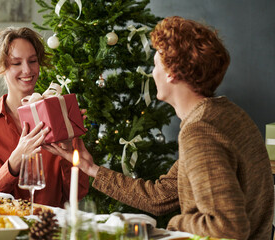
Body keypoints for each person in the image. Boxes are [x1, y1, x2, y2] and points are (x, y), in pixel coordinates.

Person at [43, 16, 274, 239]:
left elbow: (228, 228)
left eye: (155, 65)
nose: (153, 73)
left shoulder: (201, 131)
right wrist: (91, 168)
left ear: (172, 73)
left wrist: (175, 224)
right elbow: (160, 196)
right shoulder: (223, 113)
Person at [0, 27, 89, 208]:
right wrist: (14, 162)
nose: (27, 70)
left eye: (33, 61)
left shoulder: (60, 116)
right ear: (0, 67)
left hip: (50, 228)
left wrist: (68, 146)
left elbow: (77, 194)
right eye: (16, 63)